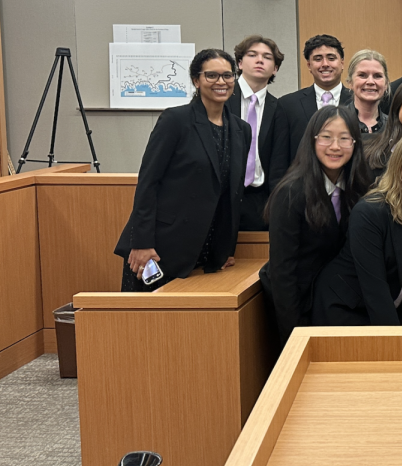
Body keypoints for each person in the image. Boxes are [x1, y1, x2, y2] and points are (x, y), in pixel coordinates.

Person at [115, 49, 250, 291]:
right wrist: (142, 242)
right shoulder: (175, 120)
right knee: (144, 324)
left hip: (207, 252)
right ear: (196, 80)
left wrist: (226, 247)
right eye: (212, 76)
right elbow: (148, 183)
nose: (221, 82)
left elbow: (232, 192)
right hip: (159, 248)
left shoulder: (241, 129)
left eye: (228, 76)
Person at [314, 128, 402, 326]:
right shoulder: (369, 212)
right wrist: (396, 348)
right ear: (398, 162)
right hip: (346, 311)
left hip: (390, 311)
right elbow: (374, 291)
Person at [260, 105, 372, 347]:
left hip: (336, 300)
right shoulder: (291, 192)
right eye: (326, 137)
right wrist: (295, 334)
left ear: (355, 144)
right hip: (298, 301)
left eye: (344, 139)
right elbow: (283, 271)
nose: (335, 147)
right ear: (311, 141)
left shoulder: (361, 187)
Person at [227, 35, 290, 231]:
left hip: (259, 199)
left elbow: (279, 162)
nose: (259, 60)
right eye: (252, 55)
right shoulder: (221, 99)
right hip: (222, 196)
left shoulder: (279, 108)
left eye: (267, 57)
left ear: (275, 68)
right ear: (239, 63)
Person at [282, 34, 352, 161]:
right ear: (309, 65)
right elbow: (280, 157)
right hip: (302, 179)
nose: (325, 64)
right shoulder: (288, 105)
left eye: (331, 58)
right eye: (318, 59)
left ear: (342, 63)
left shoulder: (357, 101)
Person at [343, 49, 389, 138]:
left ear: (386, 84)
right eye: (362, 75)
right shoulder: (334, 122)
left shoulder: (394, 127)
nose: (370, 82)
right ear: (350, 82)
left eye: (377, 76)